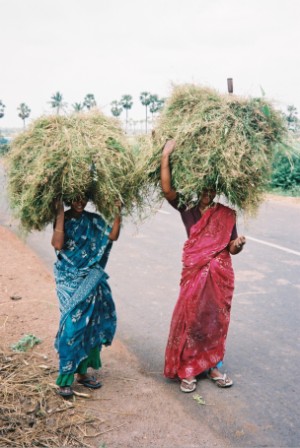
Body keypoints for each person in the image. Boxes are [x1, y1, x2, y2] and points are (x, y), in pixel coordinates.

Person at [161, 140, 246, 393]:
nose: (207, 193)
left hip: (219, 276)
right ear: (197, 188)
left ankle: (214, 366)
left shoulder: (225, 214)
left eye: (211, 189)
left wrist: (237, 245)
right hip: (195, 275)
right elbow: (168, 191)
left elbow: (230, 246)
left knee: (215, 319)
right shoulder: (188, 209)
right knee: (192, 318)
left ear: (216, 189)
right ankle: (188, 369)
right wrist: (166, 155)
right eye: (203, 189)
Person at [51, 196, 121, 397]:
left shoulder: (93, 220)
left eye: (83, 198)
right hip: (69, 280)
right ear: (68, 198)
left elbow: (112, 236)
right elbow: (57, 244)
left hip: (90, 279)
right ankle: (65, 377)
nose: (79, 202)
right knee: (72, 327)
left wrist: (118, 212)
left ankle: (82, 373)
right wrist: (59, 212)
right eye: (75, 198)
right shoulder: (63, 219)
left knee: (90, 325)